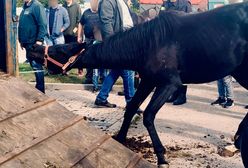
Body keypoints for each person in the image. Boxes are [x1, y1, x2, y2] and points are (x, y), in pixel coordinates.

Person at [94, 0, 136, 108]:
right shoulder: (107, 2)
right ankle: (131, 102)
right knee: (128, 70)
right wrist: (113, 45)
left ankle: (101, 98)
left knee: (116, 71)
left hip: (127, 39)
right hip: (119, 41)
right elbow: (106, 23)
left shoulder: (122, 1)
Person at [160, 0, 192, 105]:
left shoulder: (185, 4)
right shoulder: (165, 4)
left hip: (182, 41)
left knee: (182, 69)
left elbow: (191, 21)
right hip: (169, 42)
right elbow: (160, 19)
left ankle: (182, 95)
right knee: (172, 69)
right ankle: (174, 93)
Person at [77, 0, 107, 92]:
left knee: (102, 61)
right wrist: (79, 36)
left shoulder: (102, 12)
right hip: (89, 40)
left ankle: (102, 79)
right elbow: (81, 24)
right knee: (89, 60)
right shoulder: (86, 13)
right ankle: (89, 78)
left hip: (100, 40)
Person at [18, 0, 47, 93]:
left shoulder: (37, 6)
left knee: (36, 65)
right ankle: (38, 87)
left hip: (34, 43)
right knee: (33, 64)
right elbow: (21, 25)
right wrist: (21, 40)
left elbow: (42, 24)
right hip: (27, 43)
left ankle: (40, 90)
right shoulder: (25, 7)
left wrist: (39, 40)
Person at [63, 0, 83, 76]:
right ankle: (66, 69)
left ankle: (80, 70)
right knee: (66, 53)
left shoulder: (77, 6)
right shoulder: (63, 6)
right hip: (65, 35)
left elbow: (79, 21)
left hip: (74, 35)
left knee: (77, 53)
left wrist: (74, 31)